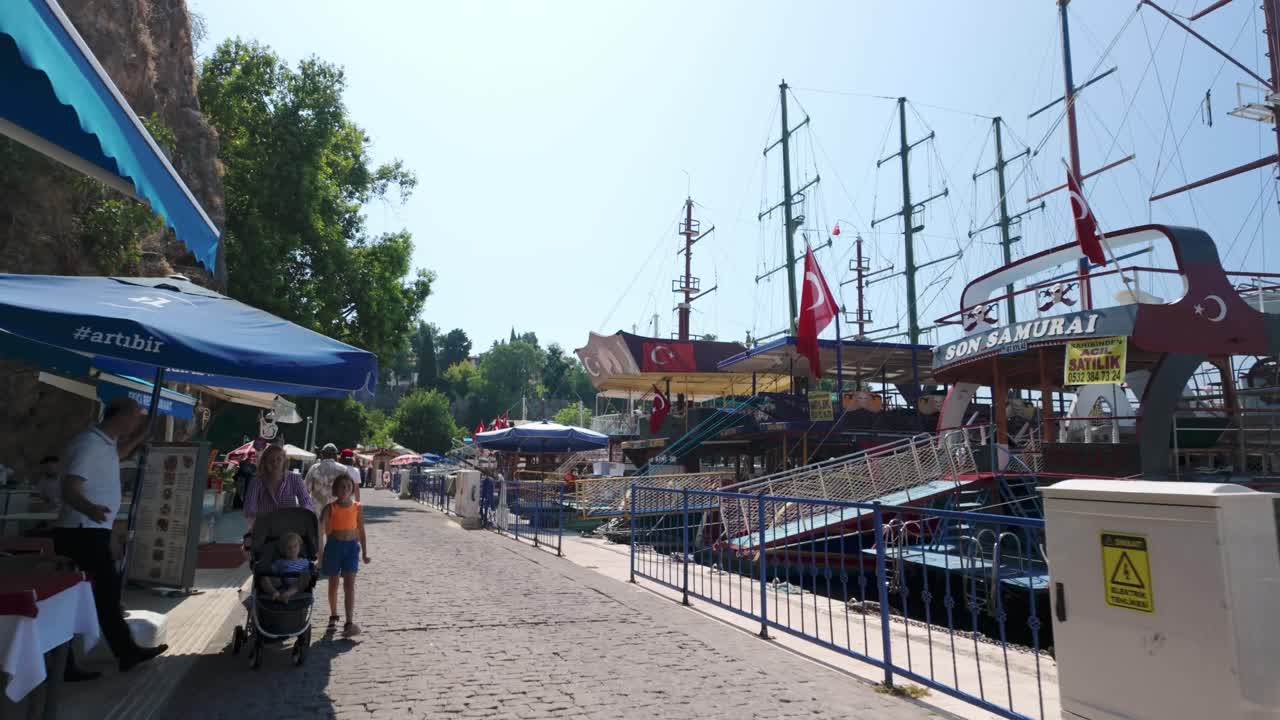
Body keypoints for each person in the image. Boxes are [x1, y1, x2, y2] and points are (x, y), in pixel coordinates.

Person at [52, 397, 169, 672]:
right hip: (81, 531)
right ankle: (111, 654)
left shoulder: (103, 443)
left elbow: (116, 455)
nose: (136, 422)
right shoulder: (88, 445)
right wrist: (90, 509)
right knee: (99, 594)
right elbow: (70, 489)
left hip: (92, 530)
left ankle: (119, 652)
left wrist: (139, 440)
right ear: (122, 417)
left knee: (101, 594)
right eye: (135, 418)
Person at [318, 474, 369, 637]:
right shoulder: (330, 508)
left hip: (352, 548)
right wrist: (320, 554)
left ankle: (349, 622)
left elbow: (361, 529)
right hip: (334, 547)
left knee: (349, 585)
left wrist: (365, 552)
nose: (345, 489)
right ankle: (333, 615)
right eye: (342, 486)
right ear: (335, 489)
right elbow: (320, 530)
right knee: (333, 584)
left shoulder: (357, 507)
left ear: (352, 489)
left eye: (348, 486)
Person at [243, 444, 313, 535]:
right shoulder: (256, 482)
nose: (275, 463)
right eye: (270, 460)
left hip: (289, 528)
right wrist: (256, 526)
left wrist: (302, 517)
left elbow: (306, 501)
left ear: (284, 461)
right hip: (264, 528)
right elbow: (249, 509)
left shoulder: (295, 479)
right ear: (265, 462)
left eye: (278, 459)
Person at [257, 532, 311, 603]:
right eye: (289, 548)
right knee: (264, 576)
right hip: (281, 585)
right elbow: (270, 572)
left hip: (297, 587)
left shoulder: (305, 561)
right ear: (283, 550)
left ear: (299, 547)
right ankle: (274, 592)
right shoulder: (279, 562)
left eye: (295, 546)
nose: (292, 549)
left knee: (306, 576)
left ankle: (287, 594)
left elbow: (310, 573)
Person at [304, 443, 351, 511]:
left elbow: (306, 490)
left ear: (323, 454)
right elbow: (348, 489)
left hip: (317, 510)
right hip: (336, 510)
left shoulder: (314, 468)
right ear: (335, 455)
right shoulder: (343, 469)